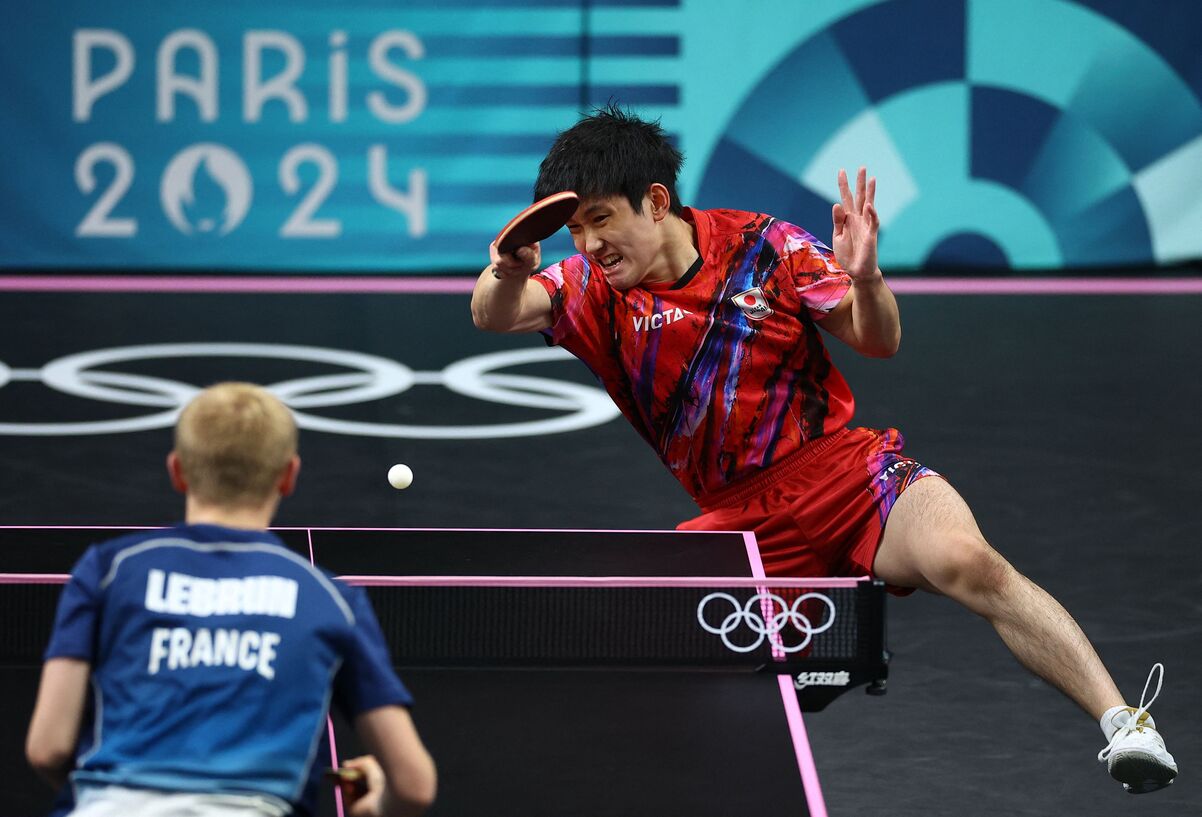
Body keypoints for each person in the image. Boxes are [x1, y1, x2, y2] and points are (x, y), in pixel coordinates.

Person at [470, 104, 1177, 795]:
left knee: (971, 560)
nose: (588, 244)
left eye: (601, 219)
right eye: (575, 229)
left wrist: (867, 278)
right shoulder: (592, 289)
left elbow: (880, 339)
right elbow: (493, 312)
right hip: (739, 525)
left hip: (847, 472)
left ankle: (1128, 724)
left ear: (655, 202)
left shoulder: (764, 247)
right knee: (674, 672)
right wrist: (507, 268)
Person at [25, 382, 437, 816]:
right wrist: (374, 806)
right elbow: (414, 785)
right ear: (289, 476)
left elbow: (47, 749)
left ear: (177, 470)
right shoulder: (330, 601)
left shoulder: (107, 571)